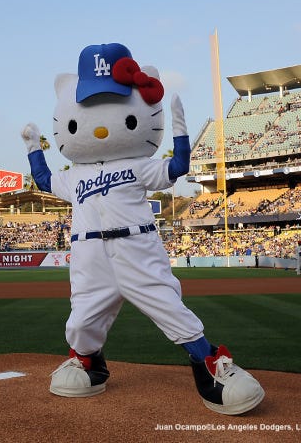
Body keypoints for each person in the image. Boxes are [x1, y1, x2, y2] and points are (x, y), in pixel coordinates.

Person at [21, 43, 263, 415]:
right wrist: (33, 148)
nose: (100, 128)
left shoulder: (138, 165)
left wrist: (181, 129)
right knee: (83, 315)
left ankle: (211, 366)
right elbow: (43, 181)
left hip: (136, 244)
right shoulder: (75, 175)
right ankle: (88, 364)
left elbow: (176, 167)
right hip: (88, 254)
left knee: (168, 306)